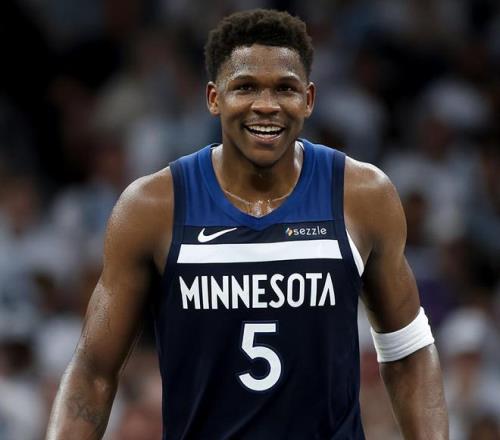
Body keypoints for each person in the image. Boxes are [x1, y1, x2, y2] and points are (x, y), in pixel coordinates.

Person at [46, 9, 449, 439]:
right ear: (213, 97)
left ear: (308, 99)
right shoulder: (151, 207)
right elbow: (93, 372)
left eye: (285, 88)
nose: (266, 105)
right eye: (246, 87)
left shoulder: (363, 195)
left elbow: (408, 353)